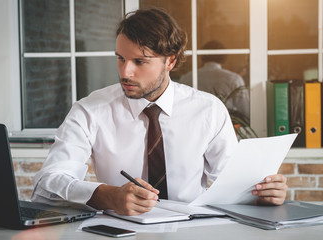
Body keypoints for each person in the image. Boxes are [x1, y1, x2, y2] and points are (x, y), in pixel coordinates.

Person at [32, 7, 288, 216]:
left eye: (139, 61)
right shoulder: (90, 110)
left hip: (193, 229)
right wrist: (107, 195)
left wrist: (264, 193)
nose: (125, 72)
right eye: (120, 58)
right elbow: (46, 186)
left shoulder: (208, 110)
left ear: (171, 61)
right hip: (120, 229)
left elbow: (233, 186)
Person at [180, 40, 250, 122]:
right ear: (224, 57)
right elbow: (245, 112)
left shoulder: (186, 78)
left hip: (193, 125)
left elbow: (182, 110)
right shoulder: (234, 79)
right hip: (228, 126)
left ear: (202, 56)